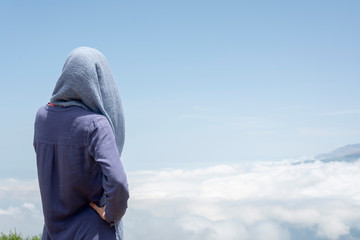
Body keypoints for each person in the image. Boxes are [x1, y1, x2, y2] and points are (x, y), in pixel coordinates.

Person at [33, 47, 129, 240]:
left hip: (52, 231)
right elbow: (118, 182)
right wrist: (111, 215)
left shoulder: (42, 117)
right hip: (94, 231)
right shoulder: (96, 125)